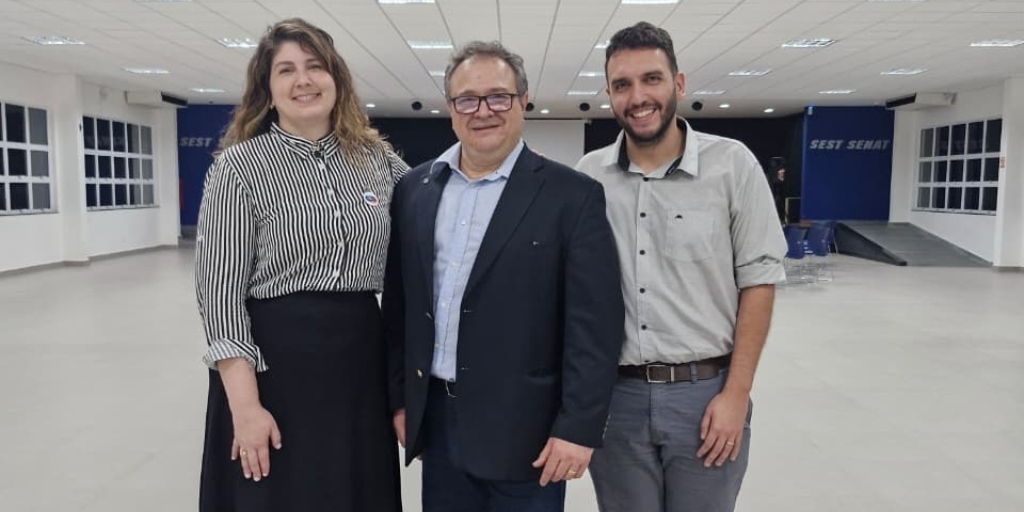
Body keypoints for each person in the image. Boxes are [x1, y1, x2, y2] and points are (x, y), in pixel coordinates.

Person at [381, 41, 625, 512]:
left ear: (523, 101)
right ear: (451, 109)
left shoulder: (572, 196)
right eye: (467, 99)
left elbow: (594, 327)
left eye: (498, 97)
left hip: (529, 433)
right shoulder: (415, 189)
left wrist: (577, 428)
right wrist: (400, 399)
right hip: (438, 421)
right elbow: (400, 306)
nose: (483, 111)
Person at [194, 18, 407, 512]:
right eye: (286, 70)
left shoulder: (379, 161)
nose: (303, 80)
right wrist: (245, 408)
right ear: (268, 90)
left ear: (337, 79)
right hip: (274, 370)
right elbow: (220, 298)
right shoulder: (239, 167)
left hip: (359, 367)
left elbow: (439, 203)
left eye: (315, 66)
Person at [575, 22, 787, 512]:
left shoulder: (733, 166)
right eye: (622, 85)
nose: (638, 96)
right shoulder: (588, 178)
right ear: (609, 94)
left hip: (706, 396)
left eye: (652, 79)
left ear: (679, 84)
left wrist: (736, 394)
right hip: (616, 401)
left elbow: (759, 282)